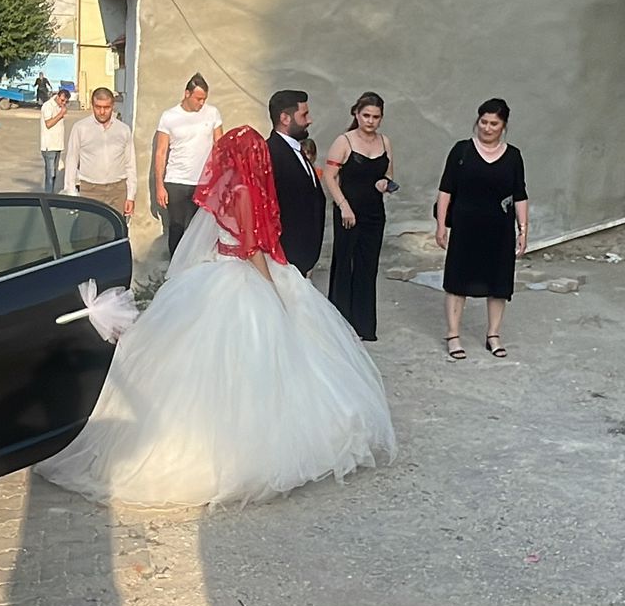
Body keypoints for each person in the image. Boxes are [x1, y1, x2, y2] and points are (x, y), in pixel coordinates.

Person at [36, 126, 396, 506]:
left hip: (216, 268)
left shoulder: (223, 185)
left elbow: (215, 236)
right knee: (261, 358)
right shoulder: (245, 191)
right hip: (242, 273)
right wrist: (273, 287)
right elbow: (250, 247)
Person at [436, 98, 528, 361]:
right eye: (483, 122)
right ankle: (453, 335)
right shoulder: (461, 151)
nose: (487, 128)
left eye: (494, 124)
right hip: (465, 228)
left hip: (500, 229)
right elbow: (445, 190)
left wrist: (523, 230)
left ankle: (493, 334)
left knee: (499, 283)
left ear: (504, 126)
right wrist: (441, 225)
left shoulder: (513, 156)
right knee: (457, 281)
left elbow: (520, 194)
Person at [322, 92, 394, 341]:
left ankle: (364, 326)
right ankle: (340, 324)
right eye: (366, 115)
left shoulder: (385, 142)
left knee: (368, 266)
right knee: (344, 263)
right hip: (348, 212)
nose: (370, 121)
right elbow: (329, 176)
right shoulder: (344, 141)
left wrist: (385, 183)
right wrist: (344, 206)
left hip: (374, 212)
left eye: (376, 117)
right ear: (356, 113)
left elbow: (389, 174)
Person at [154, 74, 223, 254]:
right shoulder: (169, 116)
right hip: (176, 180)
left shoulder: (212, 113)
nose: (201, 103)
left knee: (199, 230)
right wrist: (159, 185)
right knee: (176, 227)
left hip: (203, 181)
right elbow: (161, 152)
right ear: (187, 94)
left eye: (204, 99)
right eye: (198, 99)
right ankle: (175, 265)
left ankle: (197, 264)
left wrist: (219, 179)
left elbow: (220, 146)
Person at [266, 89, 325, 272]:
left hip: (302, 254)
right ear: (285, 118)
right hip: (287, 254)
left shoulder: (296, 149)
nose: (310, 120)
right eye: (304, 115)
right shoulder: (272, 152)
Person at [63, 87, 136, 217]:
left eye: (106, 107)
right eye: (98, 107)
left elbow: (130, 164)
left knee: (115, 229)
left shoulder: (123, 130)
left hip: (118, 192)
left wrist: (131, 196)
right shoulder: (80, 128)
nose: (102, 112)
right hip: (91, 191)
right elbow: (71, 161)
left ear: (113, 106)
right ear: (92, 105)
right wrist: (71, 193)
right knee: (89, 229)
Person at [39, 87, 72, 193]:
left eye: (66, 102)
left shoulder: (60, 106)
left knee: (54, 174)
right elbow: (48, 124)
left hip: (57, 145)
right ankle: (48, 196)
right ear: (57, 96)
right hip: (49, 146)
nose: (63, 103)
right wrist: (61, 114)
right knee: (50, 175)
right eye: (62, 100)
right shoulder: (48, 106)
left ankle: (51, 194)